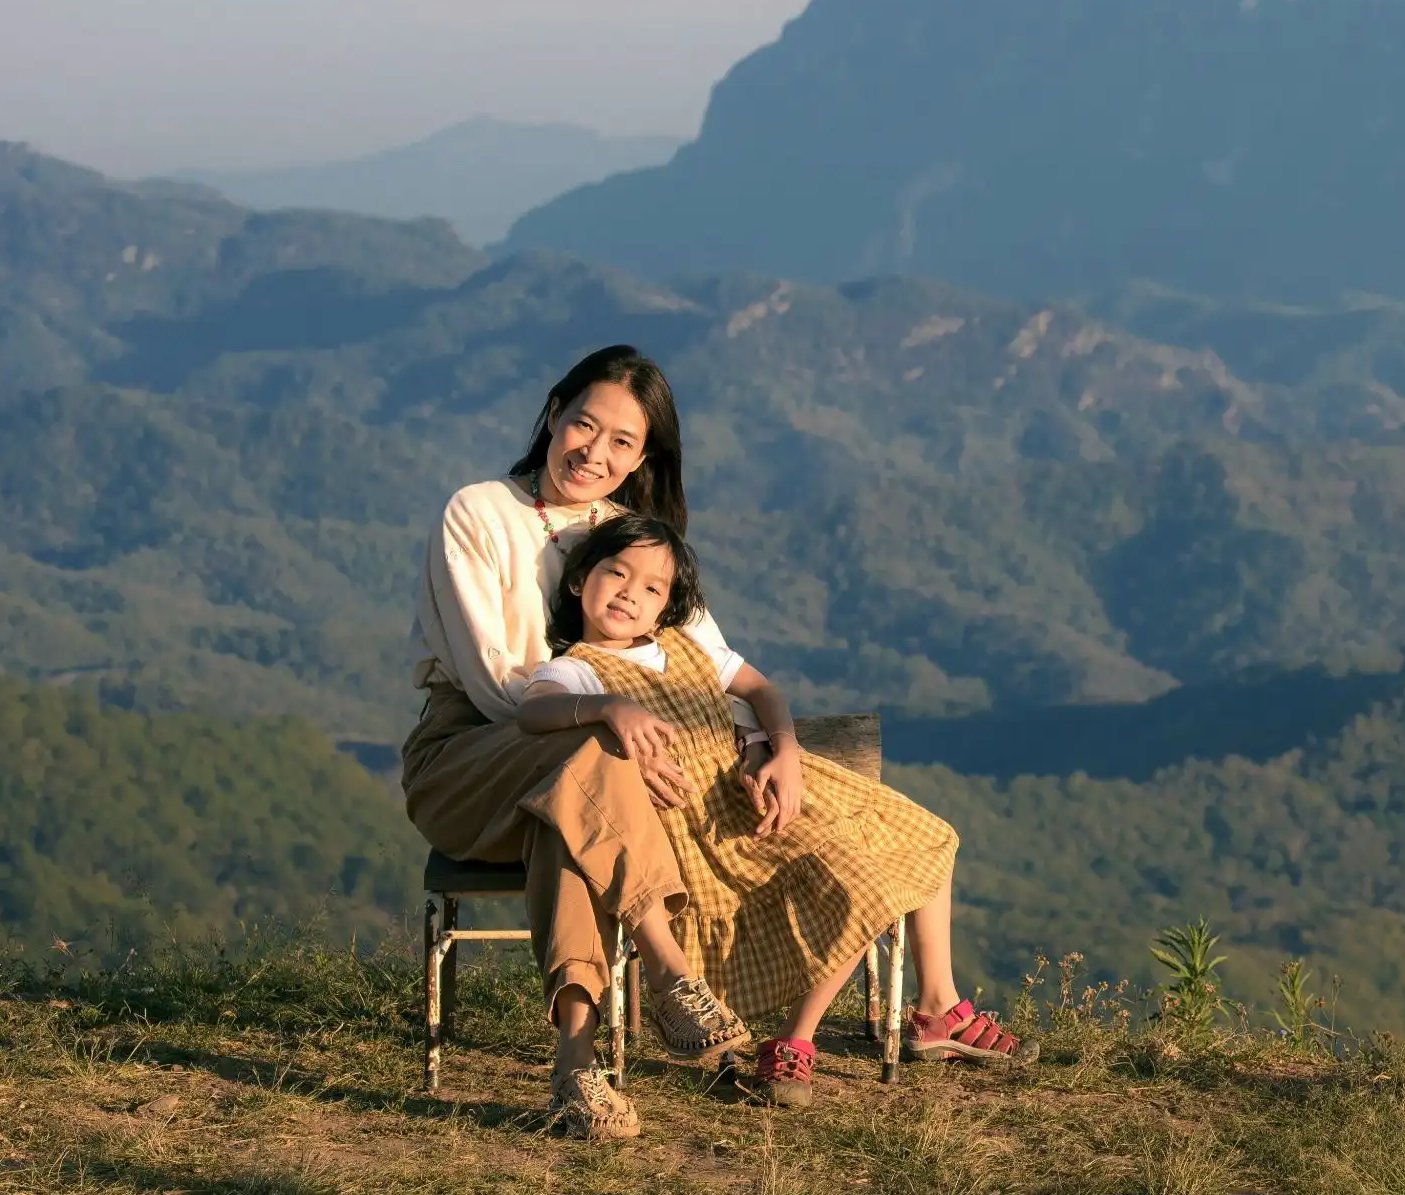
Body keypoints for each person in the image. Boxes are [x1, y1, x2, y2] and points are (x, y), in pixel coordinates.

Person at [520, 514, 1029, 1109]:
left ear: (666, 609)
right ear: (580, 581)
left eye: (653, 588)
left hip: (752, 798)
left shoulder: (687, 648)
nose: (631, 592)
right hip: (697, 831)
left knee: (913, 845)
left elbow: (763, 691)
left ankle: (893, 1015)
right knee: (859, 885)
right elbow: (536, 711)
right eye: (616, 572)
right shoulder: (577, 668)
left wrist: (782, 748)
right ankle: (797, 1043)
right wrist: (606, 708)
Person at [400, 345, 759, 1141]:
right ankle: (669, 971)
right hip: (467, 759)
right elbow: (497, 688)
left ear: (643, 459)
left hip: (584, 776)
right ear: (554, 412)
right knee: (588, 760)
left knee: (573, 799)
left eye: (622, 442)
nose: (594, 452)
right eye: (583, 424)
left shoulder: (635, 542)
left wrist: (767, 739)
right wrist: (606, 712)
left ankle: (575, 1074)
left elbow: (701, 660)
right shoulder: (479, 512)